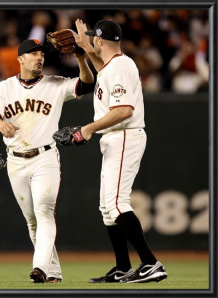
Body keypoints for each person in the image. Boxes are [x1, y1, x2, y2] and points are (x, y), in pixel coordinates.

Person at [0, 38, 94, 283]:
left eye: (41, 54)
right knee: (32, 221)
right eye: (33, 54)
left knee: (43, 212)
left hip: (45, 157)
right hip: (15, 161)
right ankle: (53, 272)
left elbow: (87, 84)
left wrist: (81, 58)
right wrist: (0, 123)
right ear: (20, 59)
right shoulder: (5, 87)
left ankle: (40, 268)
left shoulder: (55, 84)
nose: (39, 57)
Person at [72, 19, 168, 283]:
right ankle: (123, 267)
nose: (91, 40)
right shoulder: (113, 66)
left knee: (117, 204)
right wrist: (84, 48)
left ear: (100, 40)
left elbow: (124, 110)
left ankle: (151, 263)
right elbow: (103, 69)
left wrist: (88, 128)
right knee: (107, 208)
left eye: (93, 38)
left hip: (124, 135)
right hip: (116, 138)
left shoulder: (122, 66)